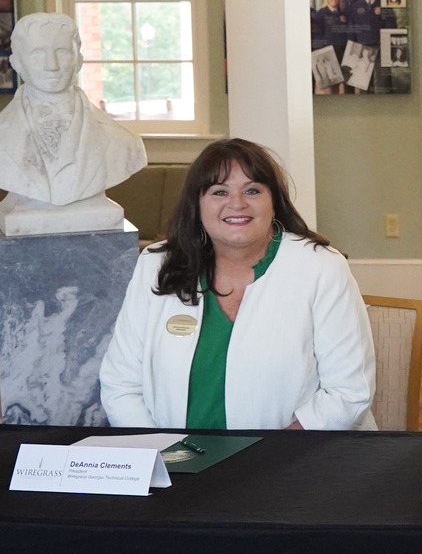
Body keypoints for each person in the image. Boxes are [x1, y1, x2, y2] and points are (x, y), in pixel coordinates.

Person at [99, 138, 376, 429]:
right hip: (172, 461)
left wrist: (269, 458)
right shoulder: (156, 264)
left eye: (252, 190)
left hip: (291, 460)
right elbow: (121, 383)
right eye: (219, 192)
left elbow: (347, 392)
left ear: (274, 201)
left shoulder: (321, 267)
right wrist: (159, 453)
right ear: (197, 205)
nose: (237, 204)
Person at [0, 12, 147, 222]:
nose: (51, 65)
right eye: (37, 53)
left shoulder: (124, 143)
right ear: (16, 63)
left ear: (79, 59)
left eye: (61, 51)